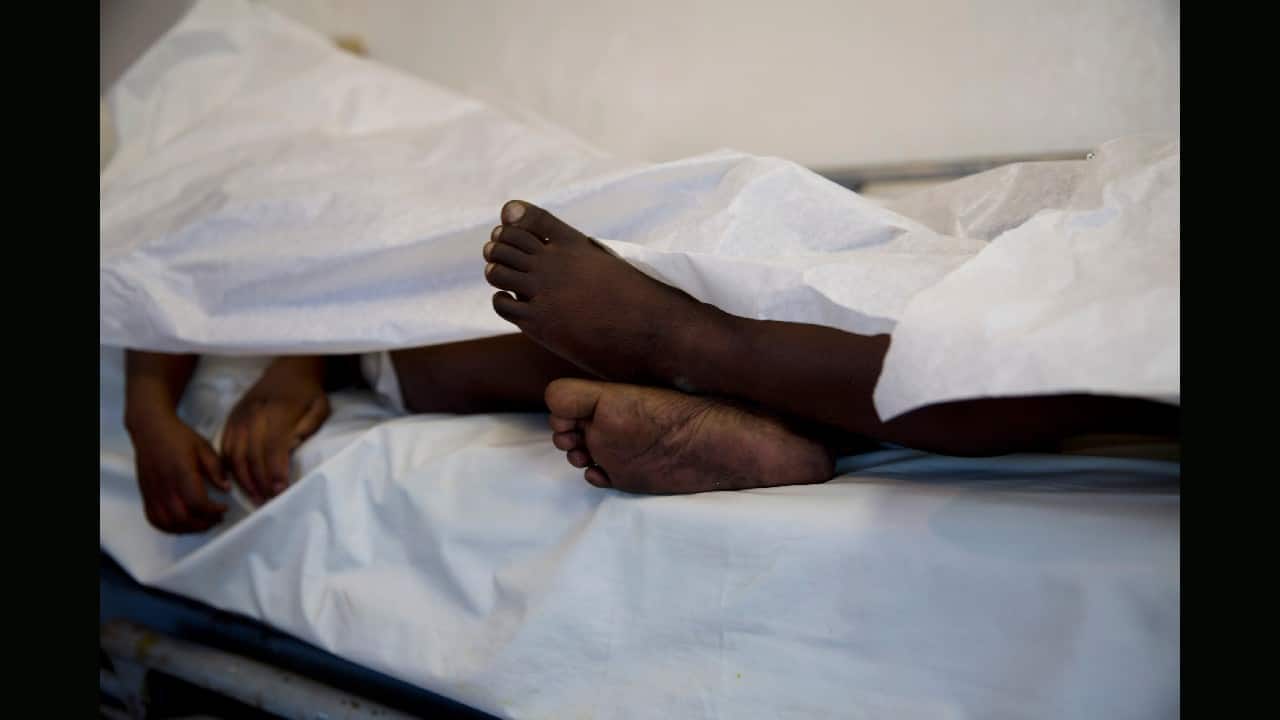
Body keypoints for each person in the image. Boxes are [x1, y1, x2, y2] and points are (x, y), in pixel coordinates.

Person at [125, 200, 1178, 532]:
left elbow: (301, 229)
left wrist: (290, 363)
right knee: (453, 331)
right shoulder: (193, 173)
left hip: (381, 321)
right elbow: (158, 276)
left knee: (905, 287)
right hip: (374, 334)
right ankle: (719, 373)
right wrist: (152, 414)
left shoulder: (302, 147)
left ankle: (693, 354)